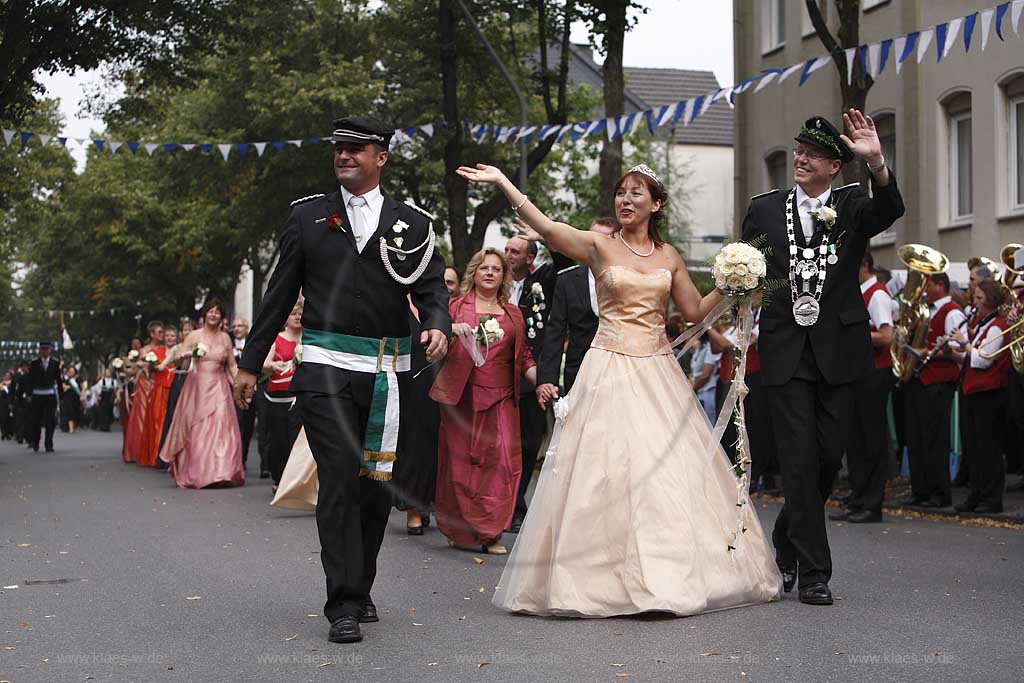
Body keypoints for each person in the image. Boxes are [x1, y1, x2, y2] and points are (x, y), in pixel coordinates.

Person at [457, 161, 781, 618]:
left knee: (663, 472)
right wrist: (504, 183)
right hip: (608, 366)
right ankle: (602, 577)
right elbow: (548, 229)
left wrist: (733, 284)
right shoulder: (598, 246)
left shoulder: (668, 257)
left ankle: (665, 576)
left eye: (636, 193)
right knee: (605, 472)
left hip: (657, 371)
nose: (625, 200)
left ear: (656, 204)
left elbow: (692, 310)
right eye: (621, 193)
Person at [232, 116, 450, 645]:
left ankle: (362, 585)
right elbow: (279, 295)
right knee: (338, 480)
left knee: (376, 489)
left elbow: (431, 291)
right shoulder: (308, 218)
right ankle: (342, 603)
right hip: (325, 372)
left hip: (386, 376)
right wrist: (249, 362)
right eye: (339, 148)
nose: (345, 155)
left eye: (357, 148)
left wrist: (439, 327)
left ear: (382, 157)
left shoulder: (413, 223)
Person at [740, 111, 905, 605]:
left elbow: (891, 208)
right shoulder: (765, 209)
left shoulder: (855, 203)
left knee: (828, 457)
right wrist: (747, 311)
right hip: (786, 352)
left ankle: (789, 535)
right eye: (798, 151)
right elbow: (752, 270)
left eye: (811, 154)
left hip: (839, 351)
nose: (800, 159)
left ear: (835, 166)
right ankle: (814, 572)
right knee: (797, 460)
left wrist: (876, 161)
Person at [430, 248, 537, 555]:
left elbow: (525, 356)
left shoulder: (513, 314)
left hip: (502, 397)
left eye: (497, 269)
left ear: (504, 276)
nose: (490, 273)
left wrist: (544, 384)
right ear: (474, 273)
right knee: (460, 465)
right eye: (484, 268)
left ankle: (490, 533)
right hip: (461, 397)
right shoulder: (454, 307)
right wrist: (450, 329)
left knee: (501, 463)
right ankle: (460, 530)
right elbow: (434, 339)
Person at [504, 228, 572, 533]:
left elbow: (564, 264)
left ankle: (518, 506)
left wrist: (545, 235)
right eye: (506, 250)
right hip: (497, 373)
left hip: (531, 377)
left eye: (515, 251)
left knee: (529, 442)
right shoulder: (495, 283)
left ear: (530, 258)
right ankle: (494, 506)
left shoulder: (541, 280)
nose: (508, 256)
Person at [830, 251, 894, 523]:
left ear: (864, 266)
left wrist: (851, 335)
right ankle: (858, 498)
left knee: (871, 439)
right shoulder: (857, 293)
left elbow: (886, 336)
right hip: (856, 372)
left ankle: (872, 503)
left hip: (874, 373)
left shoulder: (877, 294)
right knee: (854, 439)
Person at [159, 299, 245, 488]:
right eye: (210, 311)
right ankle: (199, 472)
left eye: (217, 312)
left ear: (222, 317)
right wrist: (191, 353)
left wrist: (241, 382)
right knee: (198, 429)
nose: (213, 314)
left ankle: (222, 471)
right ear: (204, 315)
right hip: (197, 386)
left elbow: (231, 364)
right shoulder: (194, 335)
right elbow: (179, 358)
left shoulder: (225, 338)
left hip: (219, 384)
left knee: (222, 427)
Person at [900, 272, 965, 509]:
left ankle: (939, 493)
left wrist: (926, 353)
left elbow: (958, 347)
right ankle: (921, 491)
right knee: (916, 439)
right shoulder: (925, 310)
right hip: (919, 380)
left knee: (935, 439)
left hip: (938, 381)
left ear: (940, 285)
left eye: (928, 284)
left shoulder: (952, 312)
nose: (924, 290)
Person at [536, 218, 616, 406]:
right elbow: (555, 330)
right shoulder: (567, 280)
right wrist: (546, 378)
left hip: (618, 372)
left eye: (604, 239)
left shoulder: (630, 279)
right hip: (578, 371)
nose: (597, 244)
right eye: (593, 238)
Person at [950, 280, 1011, 513]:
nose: (974, 301)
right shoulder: (982, 324)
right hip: (974, 392)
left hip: (989, 394)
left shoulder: (997, 326)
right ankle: (976, 494)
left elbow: (982, 359)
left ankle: (991, 498)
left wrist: (964, 343)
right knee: (974, 448)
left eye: (978, 298)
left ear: (990, 300)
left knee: (988, 448)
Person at [393, 298, 441, 535]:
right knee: (410, 444)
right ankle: (412, 507)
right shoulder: (395, 301)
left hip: (439, 383)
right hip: (406, 383)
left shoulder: (437, 304)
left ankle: (427, 503)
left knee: (433, 445)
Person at [260, 299, 304, 485]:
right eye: (293, 314)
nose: (297, 317)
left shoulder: (309, 338)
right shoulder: (277, 338)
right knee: (279, 438)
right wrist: (274, 365)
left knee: (299, 439)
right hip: (278, 394)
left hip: (301, 394)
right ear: (286, 317)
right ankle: (279, 478)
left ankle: (297, 481)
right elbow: (264, 364)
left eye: (300, 313)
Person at [26, 339, 62, 453]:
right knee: (35, 420)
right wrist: (28, 394)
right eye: (43, 349)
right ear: (40, 350)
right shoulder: (34, 363)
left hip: (50, 394)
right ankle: (36, 442)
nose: (45, 351)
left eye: (47, 349)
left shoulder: (55, 363)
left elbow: (59, 380)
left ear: (50, 350)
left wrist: (61, 396)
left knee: (50, 421)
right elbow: (30, 380)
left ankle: (49, 444)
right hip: (37, 394)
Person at [232, 318, 257, 469]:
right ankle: (237, 461)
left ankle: (244, 458)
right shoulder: (228, 342)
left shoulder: (253, 343)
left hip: (254, 390)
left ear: (247, 328)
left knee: (248, 427)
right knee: (236, 426)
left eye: (240, 325)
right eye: (234, 326)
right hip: (232, 391)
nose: (236, 329)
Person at [60, 366, 82, 433]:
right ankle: (71, 429)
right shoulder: (66, 379)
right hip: (67, 398)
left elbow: (83, 388)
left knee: (75, 413)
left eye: (73, 371)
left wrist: (82, 396)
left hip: (76, 399)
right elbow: (63, 387)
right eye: (70, 371)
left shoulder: (78, 379)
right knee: (70, 412)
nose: (71, 372)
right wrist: (67, 387)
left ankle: (73, 427)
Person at [0, 370, 15, 440]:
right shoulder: (1, 384)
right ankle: (3, 433)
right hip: (2, 403)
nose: (6, 376)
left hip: (10, 403)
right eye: (6, 375)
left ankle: (9, 433)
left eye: (8, 375)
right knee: (3, 419)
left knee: (9, 419)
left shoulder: (12, 384)